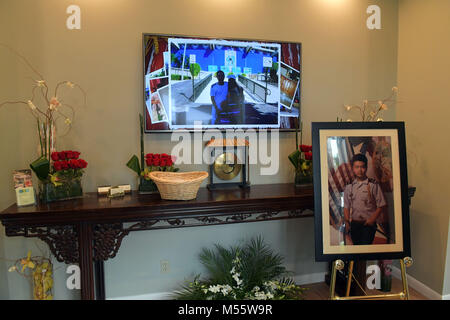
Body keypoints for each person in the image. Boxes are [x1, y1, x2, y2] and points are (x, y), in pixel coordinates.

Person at [343, 153, 387, 245]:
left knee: (365, 248)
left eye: (362, 167)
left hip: (368, 224)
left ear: (366, 167)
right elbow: (346, 206)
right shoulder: (349, 186)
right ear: (353, 168)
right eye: (357, 167)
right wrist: (347, 222)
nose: (360, 170)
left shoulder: (373, 185)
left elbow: (381, 205)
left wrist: (372, 220)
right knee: (356, 249)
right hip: (354, 224)